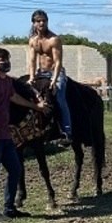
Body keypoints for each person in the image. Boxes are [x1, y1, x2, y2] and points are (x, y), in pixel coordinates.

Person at [0, 48, 46, 222]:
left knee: (15, 169)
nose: (5, 63)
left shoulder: (6, 81)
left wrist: (35, 107)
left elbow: (14, 97)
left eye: (7, 59)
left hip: (5, 134)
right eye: (1, 60)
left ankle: (9, 207)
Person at [27, 9, 72, 146]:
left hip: (55, 73)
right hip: (41, 72)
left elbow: (58, 62)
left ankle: (67, 131)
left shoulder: (54, 39)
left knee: (59, 95)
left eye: (44, 21)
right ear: (33, 23)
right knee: (28, 93)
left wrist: (54, 80)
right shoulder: (33, 41)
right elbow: (32, 61)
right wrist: (31, 77)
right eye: (38, 21)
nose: (41, 23)